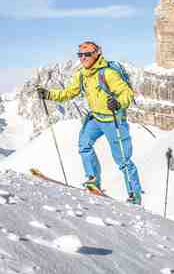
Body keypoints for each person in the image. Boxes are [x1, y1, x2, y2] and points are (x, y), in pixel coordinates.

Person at [37, 41, 142, 204]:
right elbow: (69, 92)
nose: (83, 58)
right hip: (96, 118)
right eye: (80, 55)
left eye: (87, 54)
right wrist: (49, 95)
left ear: (96, 54)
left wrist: (118, 103)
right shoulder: (82, 74)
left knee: (123, 160)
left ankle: (134, 195)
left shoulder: (107, 73)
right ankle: (93, 181)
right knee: (84, 145)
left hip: (113, 121)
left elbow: (126, 93)